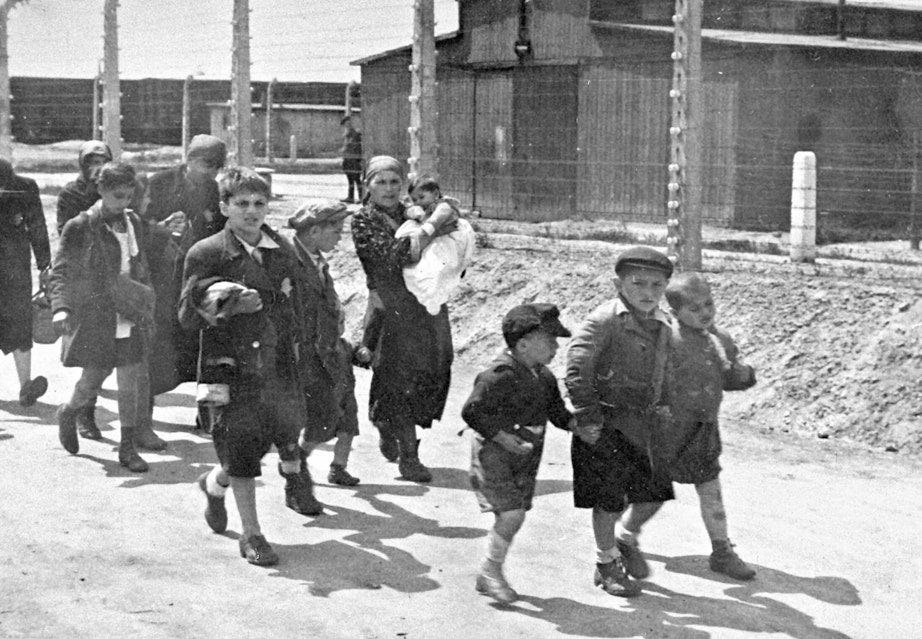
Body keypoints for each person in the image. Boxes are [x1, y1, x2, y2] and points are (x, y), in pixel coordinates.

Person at [180, 167, 311, 566]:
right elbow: (186, 315)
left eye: (259, 203)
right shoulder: (206, 252)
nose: (252, 212)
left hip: (276, 364)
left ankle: (214, 486)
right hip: (230, 366)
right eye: (242, 204)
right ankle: (252, 534)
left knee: (268, 440)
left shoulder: (281, 249)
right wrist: (230, 303)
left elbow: (298, 304)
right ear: (224, 207)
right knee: (239, 446)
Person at [564, 246, 676, 598]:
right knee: (609, 499)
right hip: (607, 423)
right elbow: (577, 370)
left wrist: (668, 403)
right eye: (638, 283)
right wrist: (588, 416)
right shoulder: (605, 320)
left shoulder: (663, 322)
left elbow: (668, 368)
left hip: (644, 425)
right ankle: (606, 564)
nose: (648, 293)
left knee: (654, 493)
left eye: (656, 285)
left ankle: (625, 538)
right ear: (618, 284)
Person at [462, 303, 574, 604]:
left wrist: (578, 425)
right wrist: (501, 436)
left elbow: (557, 414)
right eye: (549, 340)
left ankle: (489, 572)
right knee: (512, 514)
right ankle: (490, 570)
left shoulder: (544, 376)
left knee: (511, 515)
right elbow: (472, 411)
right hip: (494, 455)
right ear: (522, 345)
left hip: (524, 457)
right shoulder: (499, 374)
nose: (555, 346)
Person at [50, 162, 158, 472]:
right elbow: (62, 271)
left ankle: (126, 447)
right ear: (100, 190)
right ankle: (69, 411)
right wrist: (61, 307)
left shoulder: (133, 223)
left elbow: (140, 263)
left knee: (130, 378)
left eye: (128, 197)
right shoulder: (80, 226)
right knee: (93, 377)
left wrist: (144, 296)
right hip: (97, 313)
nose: (123, 203)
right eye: (117, 196)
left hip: (130, 311)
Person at [351, 155, 453, 483]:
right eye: (380, 182)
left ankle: (385, 421)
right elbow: (385, 259)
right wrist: (428, 236)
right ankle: (409, 454)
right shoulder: (363, 220)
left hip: (427, 301)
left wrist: (429, 232)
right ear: (367, 185)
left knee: (435, 369)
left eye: (395, 181)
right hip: (389, 304)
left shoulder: (416, 211)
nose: (389, 189)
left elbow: (453, 227)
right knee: (397, 378)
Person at [660, 272, 757, 580]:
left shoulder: (719, 339)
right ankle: (622, 537)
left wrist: (742, 376)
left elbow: (727, 377)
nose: (705, 313)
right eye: (694, 308)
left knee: (711, 489)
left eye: (708, 304)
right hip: (667, 430)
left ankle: (722, 551)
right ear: (676, 313)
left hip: (702, 429)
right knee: (643, 493)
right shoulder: (668, 340)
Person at [143, 134, 227, 402]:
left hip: (193, 274)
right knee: (158, 339)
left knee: (193, 339)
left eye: (217, 165)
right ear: (189, 159)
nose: (212, 171)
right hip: (160, 273)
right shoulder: (160, 183)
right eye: (206, 163)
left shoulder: (213, 190)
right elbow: (138, 222)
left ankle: (203, 409)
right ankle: (141, 405)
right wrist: (161, 227)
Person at [288, 200, 364, 492]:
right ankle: (295, 465)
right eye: (336, 230)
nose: (340, 237)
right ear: (315, 230)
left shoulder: (316, 260)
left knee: (334, 414)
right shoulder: (292, 261)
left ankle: (302, 464)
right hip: (306, 354)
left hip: (328, 350)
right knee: (320, 416)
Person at [0, 159, 51, 406]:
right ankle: (25, 385)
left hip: (15, 269)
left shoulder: (25, 188)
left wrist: (45, 265)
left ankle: (26, 387)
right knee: (18, 324)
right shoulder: (23, 186)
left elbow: (38, 226)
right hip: (15, 268)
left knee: (20, 324)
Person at [397, 174, 476, 315]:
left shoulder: (443, 205)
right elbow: (408, 212)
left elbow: (438, 217)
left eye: (422, 197)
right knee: (426, 265)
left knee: (439, 263)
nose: (418, 202)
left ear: (435, 194)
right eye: (414, 199)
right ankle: (426, 294)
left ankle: (433, 297)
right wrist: (413, 212)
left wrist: (428, 227)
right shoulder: (422, 208)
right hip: (436, 238)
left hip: (448, 237)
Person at [55, 140, 112, 235]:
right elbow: (64, 230)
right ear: (84, 164)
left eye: (105, 162)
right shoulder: (70, 193)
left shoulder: (112, 190)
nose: (101, 167)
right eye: (95, 162)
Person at [339, 116, 363, 204]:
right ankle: (350, 197)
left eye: (348, 123)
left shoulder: (355, 134)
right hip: (347, 159)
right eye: (345, 124)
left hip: (354, 159)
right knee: (350, 179)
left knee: (356, 179)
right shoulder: (347, 134)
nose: (347, 125)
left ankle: (361, 197)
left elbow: (354, 146)